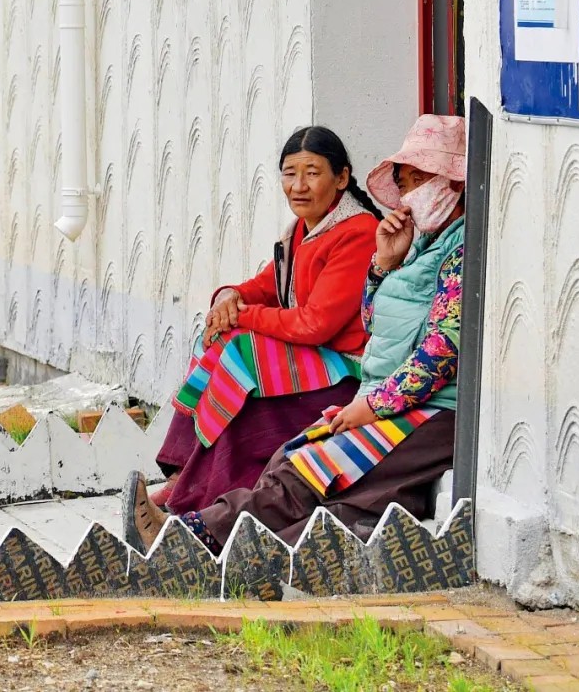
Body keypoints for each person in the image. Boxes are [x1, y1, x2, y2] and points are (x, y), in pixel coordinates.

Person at [126, 115, 466, 554]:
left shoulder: (451, 249)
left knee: (307, 465)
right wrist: (383, 266)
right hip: (387, 393)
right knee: (290, 459)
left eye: (423, 179)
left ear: (454, 182)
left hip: (419, 403)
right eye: (406, 182)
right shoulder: (416, 244)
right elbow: (374, 322)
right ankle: (204, 522)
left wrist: (373, 405)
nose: (299, 186)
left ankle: (201, 537)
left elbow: (439, 350)